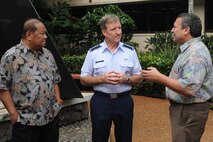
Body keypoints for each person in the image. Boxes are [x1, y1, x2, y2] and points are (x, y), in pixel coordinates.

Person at [141, 13, 213, 142]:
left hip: (189, 111)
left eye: (175, 27)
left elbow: (189, 88)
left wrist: (159, 77)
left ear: (186, 30)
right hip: (186, 110)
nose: (172, 30)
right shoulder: (189, 49)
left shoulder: (195, 53)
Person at [80, 14, 142, 142]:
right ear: (104, 32)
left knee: (125, 138)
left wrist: (126, 79)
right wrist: (101, 79)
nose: (118, 32)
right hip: (101, 101)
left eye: (119, 28)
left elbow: (139, 77)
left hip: (124, 101)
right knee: (99, 137)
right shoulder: (93, 53)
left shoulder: (130, 51)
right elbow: (83, 79)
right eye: (114, 29)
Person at [0, 18, 62, 142]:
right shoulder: (11, 56)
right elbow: (2, 87)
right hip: (26, 122)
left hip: (50, 118)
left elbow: (55, 79)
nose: (45, 36)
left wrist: (58, 101)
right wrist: (13, 113)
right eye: (42, 33)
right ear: (29, 35)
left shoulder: (48, 54)